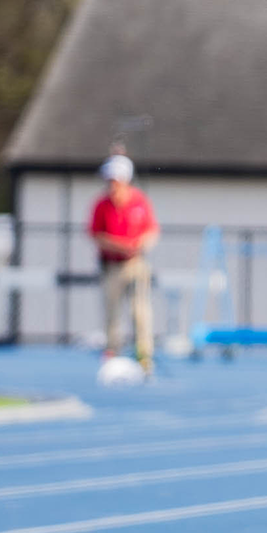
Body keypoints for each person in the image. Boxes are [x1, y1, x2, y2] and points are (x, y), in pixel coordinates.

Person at [89, 153, 159, 376]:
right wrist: (119, 246)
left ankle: (144, 355)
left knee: (140, 311)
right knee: (112, 312)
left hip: (135, 264)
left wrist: (140, 244)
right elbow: (96, 234)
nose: (112, 185)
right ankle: (112, 353)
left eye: (115, 180)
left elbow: (152, 230)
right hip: (112, 265)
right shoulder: (102, 205)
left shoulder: (139, 201)